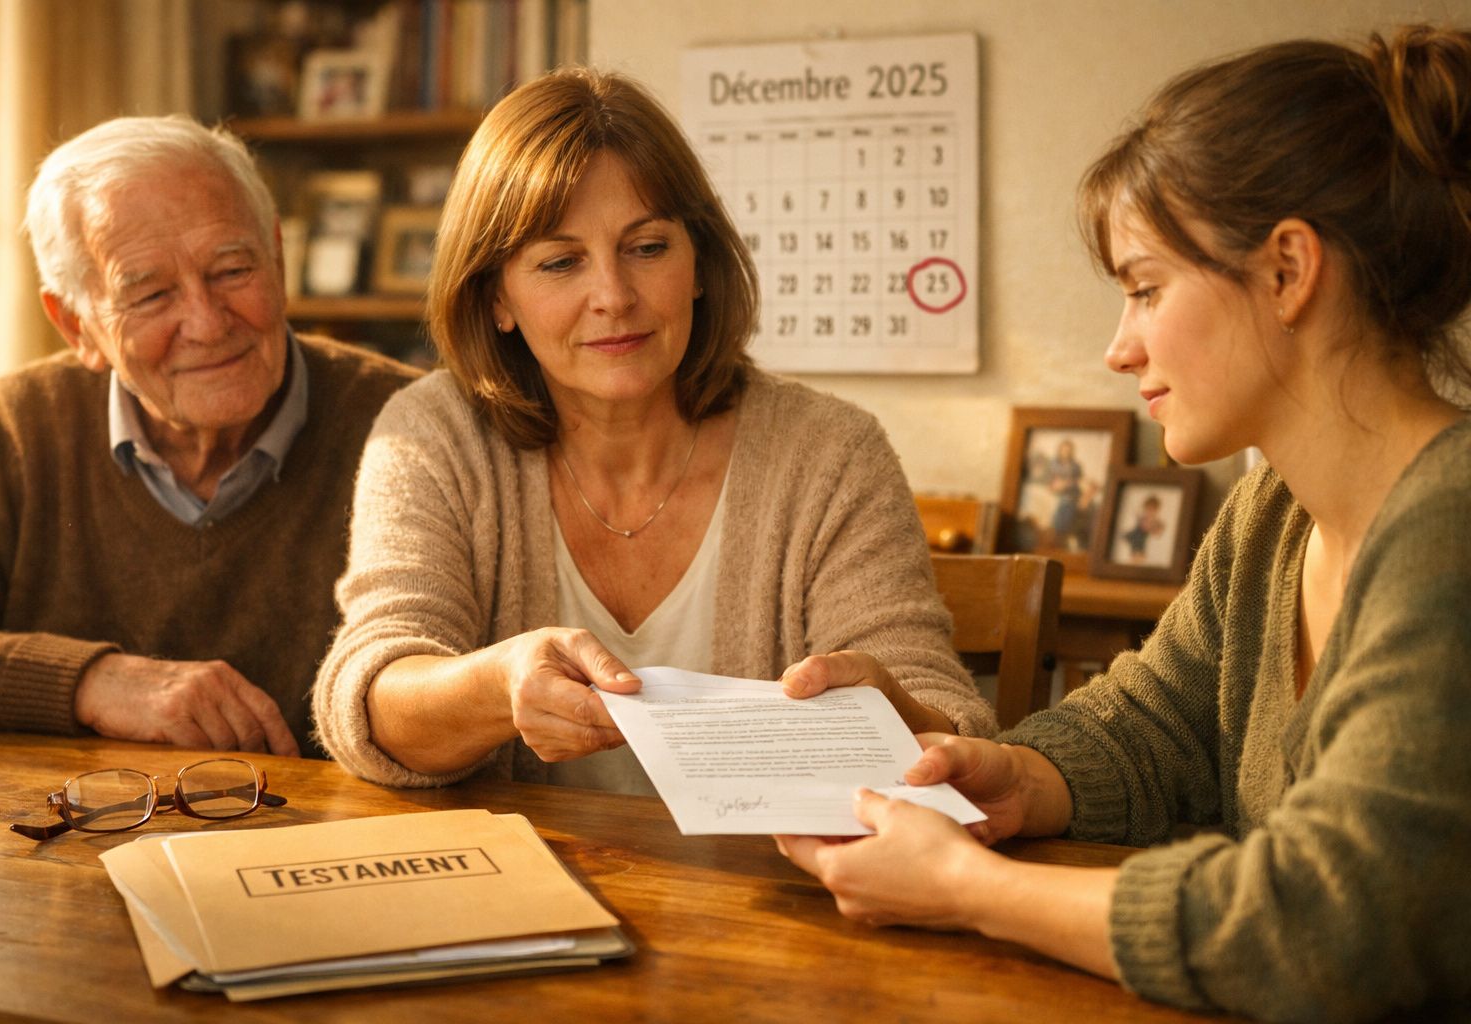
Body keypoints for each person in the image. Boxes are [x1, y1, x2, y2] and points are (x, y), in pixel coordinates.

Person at [777, 25, 1471, 1023]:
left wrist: (971, 890)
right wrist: (1016, 776)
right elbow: (1159, 722)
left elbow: (1327, 926)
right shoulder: (1271, 515)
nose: (1118, 346)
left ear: (1286, 271)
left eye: (1145, 288)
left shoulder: (1450, 528)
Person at [313, 68, 995, 791]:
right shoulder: (431, 436)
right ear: (496, 298)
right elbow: (371, 691)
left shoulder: (830, 453)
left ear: (698, 263)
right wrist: (497, 687)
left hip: (774, 894)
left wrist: (895, 710)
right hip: (518, 892)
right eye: (560, 261)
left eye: (647, 248)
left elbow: (948, 723)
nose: (613, 296)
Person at [0, 115, 419, 756]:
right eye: (152, 294)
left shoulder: (406, 422)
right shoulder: (20, 427)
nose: (207, 323)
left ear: (277, 256)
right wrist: (94, 681)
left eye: (231, 271)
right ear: (76, 325)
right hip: (66, 838)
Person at [1119, 493, 1163, 561]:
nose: (1149, 512)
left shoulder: (1155, 521)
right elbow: (1143, 526)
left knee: (1139, 552)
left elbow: (1157, 532)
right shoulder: (1143, 518)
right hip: (1134, 535)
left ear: (1156, 510)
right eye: (1148, 509)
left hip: (1141, 540)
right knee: (1135, 552)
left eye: (1152, 510)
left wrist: (1153, 527)